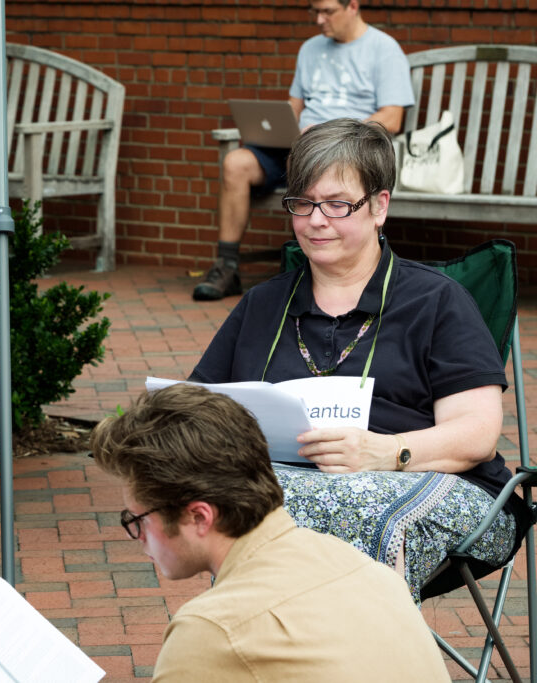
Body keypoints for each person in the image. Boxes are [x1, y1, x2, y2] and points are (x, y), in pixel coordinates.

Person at [189, 117, 526, 602]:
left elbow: (476, 434)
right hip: (282, 488)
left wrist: (383, 453)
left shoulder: (436, 302)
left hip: (428, 481)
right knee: (237, 505)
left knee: (336, 514)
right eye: (302, 203)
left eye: (337, 204)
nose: (316, 220)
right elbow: (194, 412)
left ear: (379, 206)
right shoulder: (264, 304)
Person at [91, 383, 451, 681]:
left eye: (138, 519)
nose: (136, 535)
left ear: (199, 517)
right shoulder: (365, 567)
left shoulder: (211, 630)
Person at [192, 0, 415, 301]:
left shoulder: (384, 49)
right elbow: (294, 108)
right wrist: (277, 127)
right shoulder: (311, 49)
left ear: (352, 6)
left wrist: (328, 132)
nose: (319, 20)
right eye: (315, 12)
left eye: (327, 12)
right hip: (298, 147)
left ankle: (307, 269)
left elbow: (392, 117)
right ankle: (227, 267)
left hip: (346, 151)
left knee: (313, 162)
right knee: (236, 162)